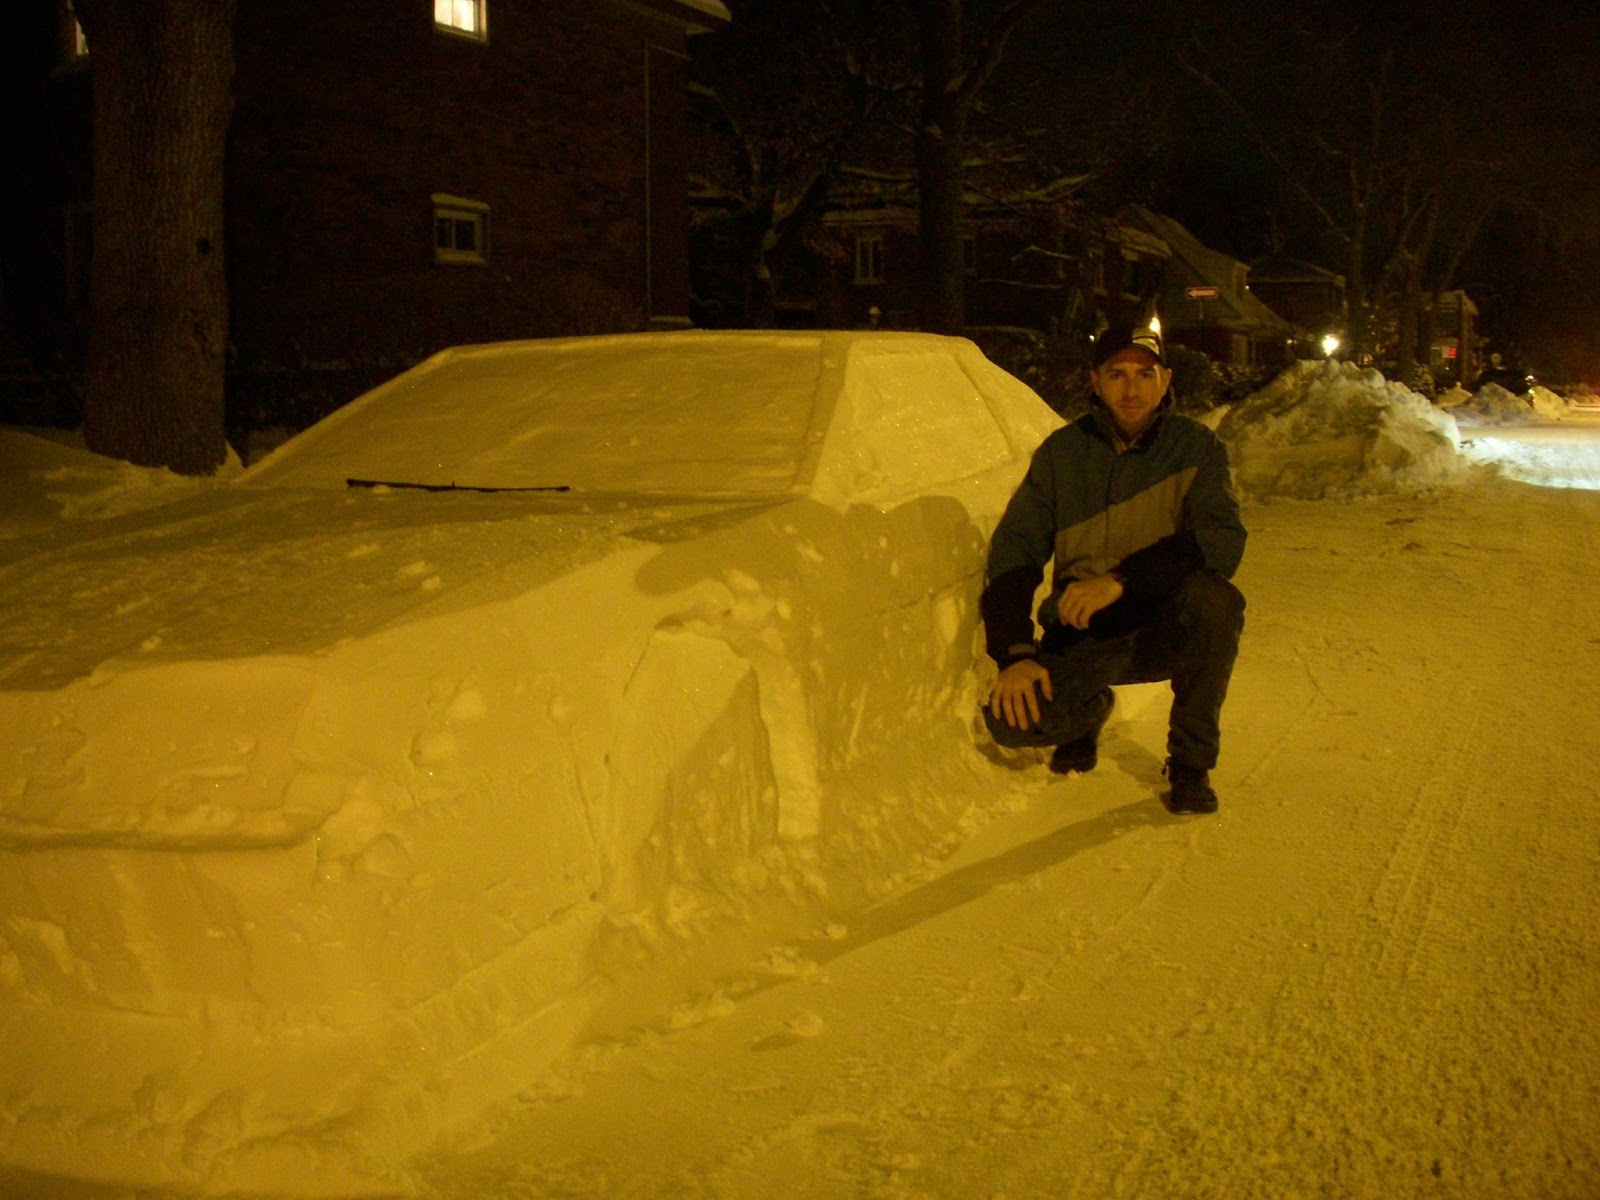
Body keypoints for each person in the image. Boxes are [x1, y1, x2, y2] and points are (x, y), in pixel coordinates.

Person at [978, 321, 1246, 814]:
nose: (1131, 388)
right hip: (1084, 634)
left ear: (1165, 381)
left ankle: (1190, 763)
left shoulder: (1196, 449)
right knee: (1010, 723)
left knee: (1218, 604)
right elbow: (1015, 553)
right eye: (1117, 374)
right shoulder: (1063, 454)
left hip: (1162, 627)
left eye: (1145, 374)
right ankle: (1087, 712)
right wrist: (1015, 653)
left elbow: (1220, 542)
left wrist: (1121, 581)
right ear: (1096, 381)